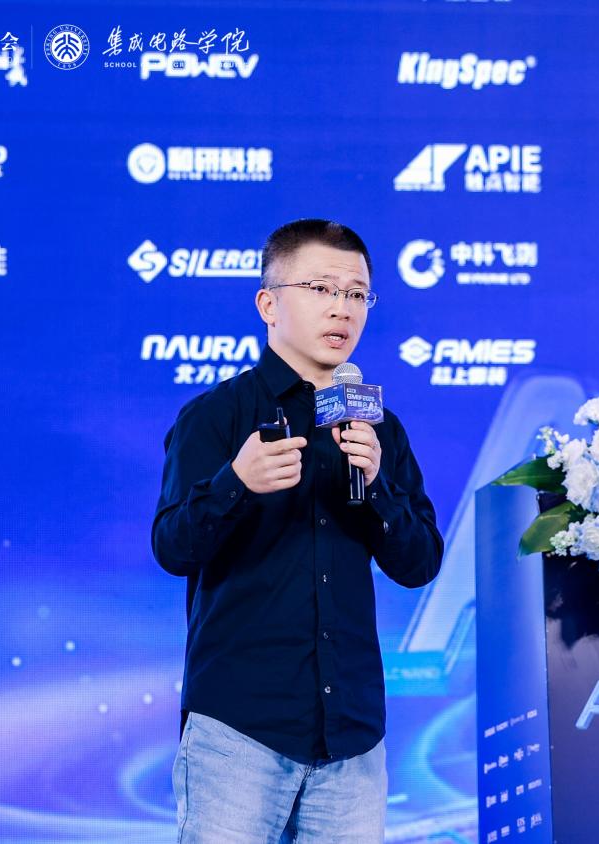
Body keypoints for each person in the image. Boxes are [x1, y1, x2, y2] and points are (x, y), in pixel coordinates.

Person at [152, 219, 444, 843]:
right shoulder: (217, 415)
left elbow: (420, 562)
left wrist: (376, 486)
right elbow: (173, 546)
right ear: (269, 303)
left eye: (357, 293)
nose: (343, 308)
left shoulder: (377, 427)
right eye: (321, 288)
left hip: (352, 736)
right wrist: (237, 482)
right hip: (240, 728)